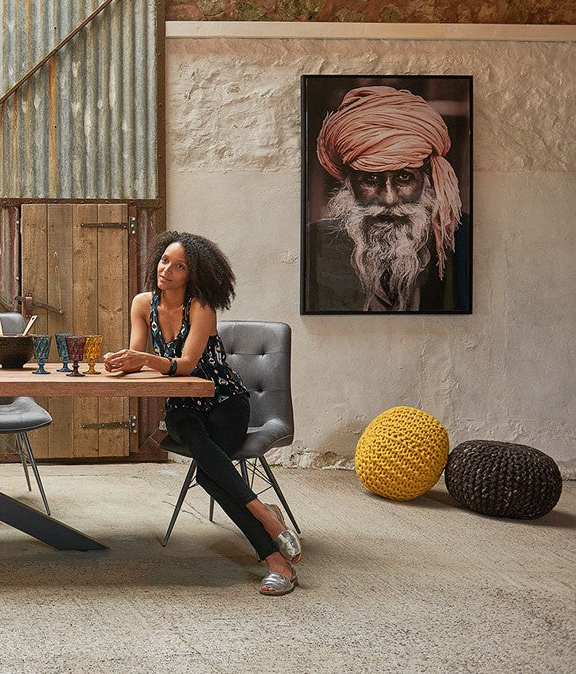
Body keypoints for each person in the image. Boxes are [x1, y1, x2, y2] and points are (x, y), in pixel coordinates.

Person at [104, 231, 302, 596]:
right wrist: (120, 362)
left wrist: (144, 358)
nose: (167, 270)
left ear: (192, 275)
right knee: (202, 452)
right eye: (165, 261)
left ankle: (274, 553)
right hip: (182, 406)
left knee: (211, 477)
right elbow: (137, 358)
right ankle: (268, 526)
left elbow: (186, 364)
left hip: (225, 401)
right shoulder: (141, 304)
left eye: (179, 266)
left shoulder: (202, 307)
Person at [306, 85, 467, 312]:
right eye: (371, 179)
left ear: (426, 179)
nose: (389, 199)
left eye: (404, 177)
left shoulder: (460, 239)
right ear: (348, 184)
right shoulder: (315, 242)